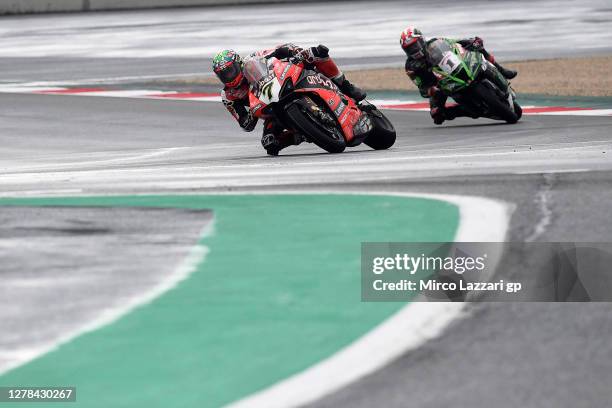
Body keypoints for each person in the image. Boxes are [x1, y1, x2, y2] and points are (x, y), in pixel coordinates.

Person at [212, 44, 366, 155]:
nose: (228, 77)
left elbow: (282, 49)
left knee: (317, 54)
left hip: (285, 82)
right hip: (270, 111)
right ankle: (300, 134)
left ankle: (346, 86)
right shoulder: (228, 96)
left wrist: (297, 52)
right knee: (270, 144)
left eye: (230, 71)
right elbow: (245, 124)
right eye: (223, 75)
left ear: (238, 64)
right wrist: (251, 114)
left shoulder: (253, 59)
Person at [400, 27, 517, 125]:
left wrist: (472, 41)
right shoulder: (411, 67)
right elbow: (421, 87)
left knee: (478, 49)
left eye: (415, 46)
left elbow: (455, 43)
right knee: (437, 115)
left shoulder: (436, 43)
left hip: (458, 68)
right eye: (409, 49)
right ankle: (465, 110)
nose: (413, 50)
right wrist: (431, 90)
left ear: (421, 40)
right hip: (440, 83)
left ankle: (502, 71)